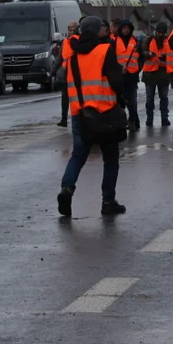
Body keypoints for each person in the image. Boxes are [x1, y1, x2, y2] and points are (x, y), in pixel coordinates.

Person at [58, 15, 127, 216]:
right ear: (96, 31)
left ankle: (67, 189)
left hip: (80, 113)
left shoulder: (72, 57)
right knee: (111, 157)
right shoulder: (105, 50)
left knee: (78, 154)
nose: (105, 31)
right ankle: (108, 201)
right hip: (104, 113)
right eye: (102, 28)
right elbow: (116, 82)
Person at [114, 19, 142, 132]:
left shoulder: (135, 41)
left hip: (132, 76)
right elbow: (111, 59)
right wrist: (118, 69)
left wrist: (138, 68)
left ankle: (132, 122)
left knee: (132, 101)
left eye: (128, 28)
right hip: (120, 76)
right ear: (120, 29)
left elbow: (141, 57)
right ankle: (121, 122)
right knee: (120, 102)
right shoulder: (114, 42)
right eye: (124, 28)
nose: (126, 30)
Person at [141, 21, 170, 127]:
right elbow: (142, 52)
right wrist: (148, 54)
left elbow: (172, 55)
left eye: (162, 33)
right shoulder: (148, 40)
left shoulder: (168, 41)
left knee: (164, 98)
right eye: (159, 32)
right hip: (150, 73)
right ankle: (149, 119)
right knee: (150, 99)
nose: (160, 34)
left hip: (163, 73)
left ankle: (164, 119)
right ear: (156, 31)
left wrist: (165, 57)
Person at [53, 20, 79, 128]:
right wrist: (53, 72)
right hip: (65, 73)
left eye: (73, 30)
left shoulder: (79, 41)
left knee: (76, 97)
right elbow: (60, 59)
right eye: (69, 30)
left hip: (76, 73)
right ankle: (64, 119)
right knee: (65, 97)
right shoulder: (65, 42)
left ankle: (77, 118)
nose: (71, 32)